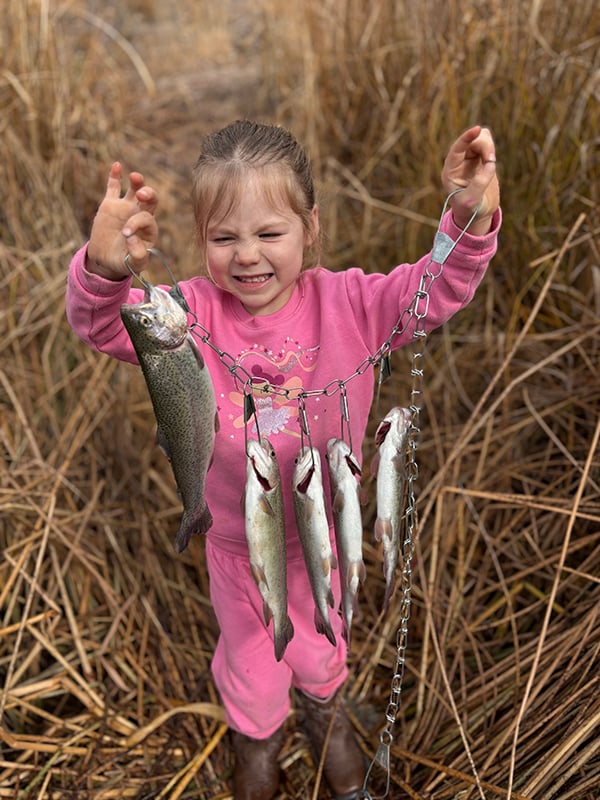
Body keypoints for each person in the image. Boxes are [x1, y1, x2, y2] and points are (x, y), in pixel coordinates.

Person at [66, 119, 501, 800]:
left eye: (269, 234)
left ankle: (327, 713)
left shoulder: (352, 302)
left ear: (311, 228)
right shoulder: (186, 316)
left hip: (323, 535)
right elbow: (102, 324)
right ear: (200, 239)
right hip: (236, 545)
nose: (247, 256)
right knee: (251, 667)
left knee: (323, 648)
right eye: (223, 238)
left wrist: (469, 216)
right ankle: (256, 740)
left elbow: (434, 291)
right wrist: (105, 268)